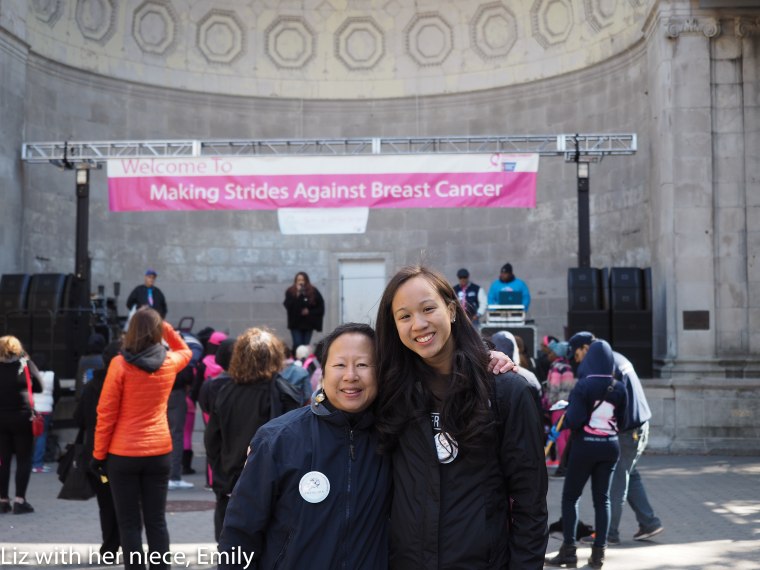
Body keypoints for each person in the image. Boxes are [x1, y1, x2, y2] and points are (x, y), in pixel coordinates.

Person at [374, 265, 548, 569]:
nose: (419, 324)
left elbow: (529, 504)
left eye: (428, 309)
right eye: (404, 316)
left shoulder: (506, 391)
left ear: (452, 310)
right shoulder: (388, 393)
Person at [217, 323, 391, 569]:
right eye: (339, 364)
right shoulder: (278, 439)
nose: (351, 375)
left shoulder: (394, 440)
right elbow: (239, 533)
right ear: (322, 373)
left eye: (363, 364)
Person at [92, 308, 191, 570]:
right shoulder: (169, 362)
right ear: (159, 332)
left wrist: (98, 455)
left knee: (129, 523)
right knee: (156, 521)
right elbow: (187, 351)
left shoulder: (119, 365)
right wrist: (164, 326)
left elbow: (106, 414)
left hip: (122, 454)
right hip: (159, 451)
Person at [205, 328, 301, 543]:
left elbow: (212, 442)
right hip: (272, 489)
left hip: (232, 484)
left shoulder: (225, 392)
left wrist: (221, 480)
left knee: (232, 554)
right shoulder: (284, 392)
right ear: (275, 356)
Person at [569, 331, 664, 545]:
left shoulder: (602, 366)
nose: (577, 361)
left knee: (616, 483)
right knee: (630, 476)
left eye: (576, 355)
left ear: (585, 348)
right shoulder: (615, 357)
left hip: (627, 431)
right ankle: (649, 523)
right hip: (638, 426)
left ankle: (608, 534)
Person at [546, 340, 627, 569]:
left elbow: (574, 420)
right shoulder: (618, 387)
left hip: (584, 448)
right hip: (610, 447)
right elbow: (623, 419)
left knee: (571, 497)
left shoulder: (583, 386)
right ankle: (598, 555)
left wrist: (566, 411)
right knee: (603, 500)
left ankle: (569, 553)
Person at [74, 340, 122, 557]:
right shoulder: (124, 383)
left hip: (96, 455)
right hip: (122, 451)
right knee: (125, 502)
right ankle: (124, 544)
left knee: (105, 503)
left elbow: (79, 419)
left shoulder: (91, 386)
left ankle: (109, 547)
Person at [0, 336, 42, 514]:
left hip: (1, 419)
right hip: (23, 418)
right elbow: (39, 386)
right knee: (24, 459)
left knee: (3, 461)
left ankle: (2, 500)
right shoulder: (26, 365)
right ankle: (20, 500)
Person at [544, 340, 575, 474]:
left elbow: (554, 387)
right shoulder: (568, 366)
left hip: (557, 405)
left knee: (559, 435)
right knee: (567, 435)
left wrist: (548, 404)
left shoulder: (556, 367)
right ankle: (569, 463)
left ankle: (563, 466)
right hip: (568, 404)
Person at [31, 354, 61, 473]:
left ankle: (31, 462)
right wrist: (52, 404)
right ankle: (38, 464)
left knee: (31, 436)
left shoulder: (30, 375)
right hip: (46, 409)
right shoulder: (52, 375)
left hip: (33, 409)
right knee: (42, 436)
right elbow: (57, 392)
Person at [283, 271, 325, 351]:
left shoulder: (312, 291)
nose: (301, 282)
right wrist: (298, 293)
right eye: (299, 280)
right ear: (296, 281)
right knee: (297, 344)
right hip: (295, 323)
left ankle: (304, 361)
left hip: (308, 324)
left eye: (302, 280)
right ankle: (297, 361)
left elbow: (320, 306)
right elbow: (288, 306)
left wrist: (309, 312)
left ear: (306, 280)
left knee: (305, 346)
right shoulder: (291, 291)